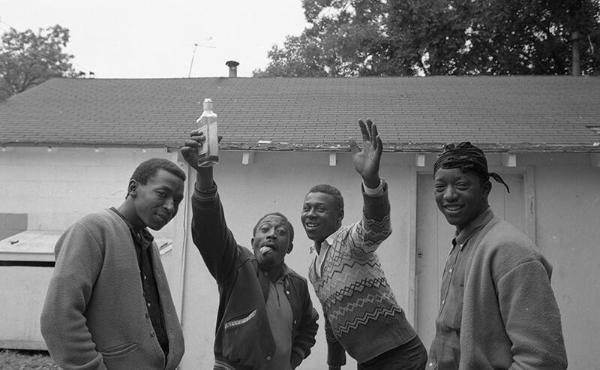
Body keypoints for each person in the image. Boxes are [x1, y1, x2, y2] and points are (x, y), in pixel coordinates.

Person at [180, 131, 319, 370]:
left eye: (281, 231)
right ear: (253, 241)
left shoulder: (298, 285)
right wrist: (204, 173)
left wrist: (294, 357)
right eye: (265, 229)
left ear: (290, 246)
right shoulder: (236, 266)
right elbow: (210, 231)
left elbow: (310, 325)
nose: (272, 233)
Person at [427, 142, 568, 369]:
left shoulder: (510, 251)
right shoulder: (463, 244)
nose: (449, 195)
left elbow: (542, 360)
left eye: (462, 185)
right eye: (440, 187)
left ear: (485, 189)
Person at [301, 120, 427, 370]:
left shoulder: (350, 241)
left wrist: (371, 182)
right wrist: (334, 364)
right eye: (307, 208)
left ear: (338, 217)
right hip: (368, 361)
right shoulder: (314, 268)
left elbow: (377, 227)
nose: (311, 214)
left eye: (320, 209)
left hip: (399, 355)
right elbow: (331, 320)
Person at [40, 158, 186, 370]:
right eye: (162, 194)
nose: (171, 206)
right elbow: (58, 318)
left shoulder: (147, 243)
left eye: (178, 200)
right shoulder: (93, 230)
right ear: (133, 188)